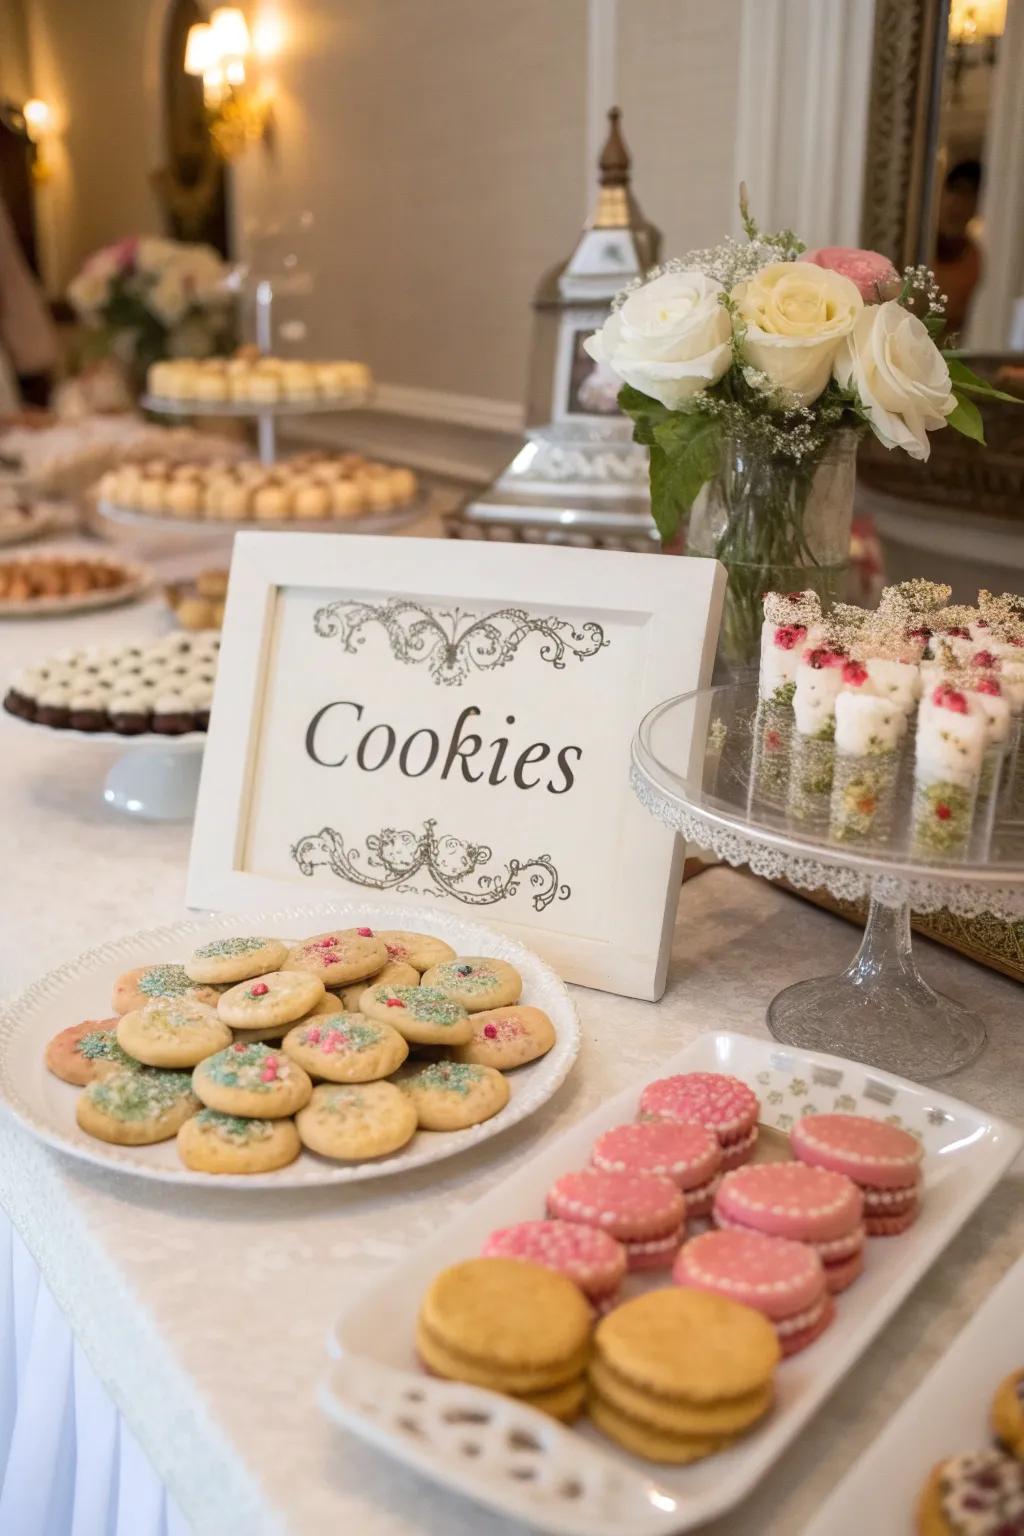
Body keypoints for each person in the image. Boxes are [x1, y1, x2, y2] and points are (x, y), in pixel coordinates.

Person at [932, 159, 984, 337]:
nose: (956, 202)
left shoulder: (973, 259)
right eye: (953, 190)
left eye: (967, 194)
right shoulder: (914, 241)